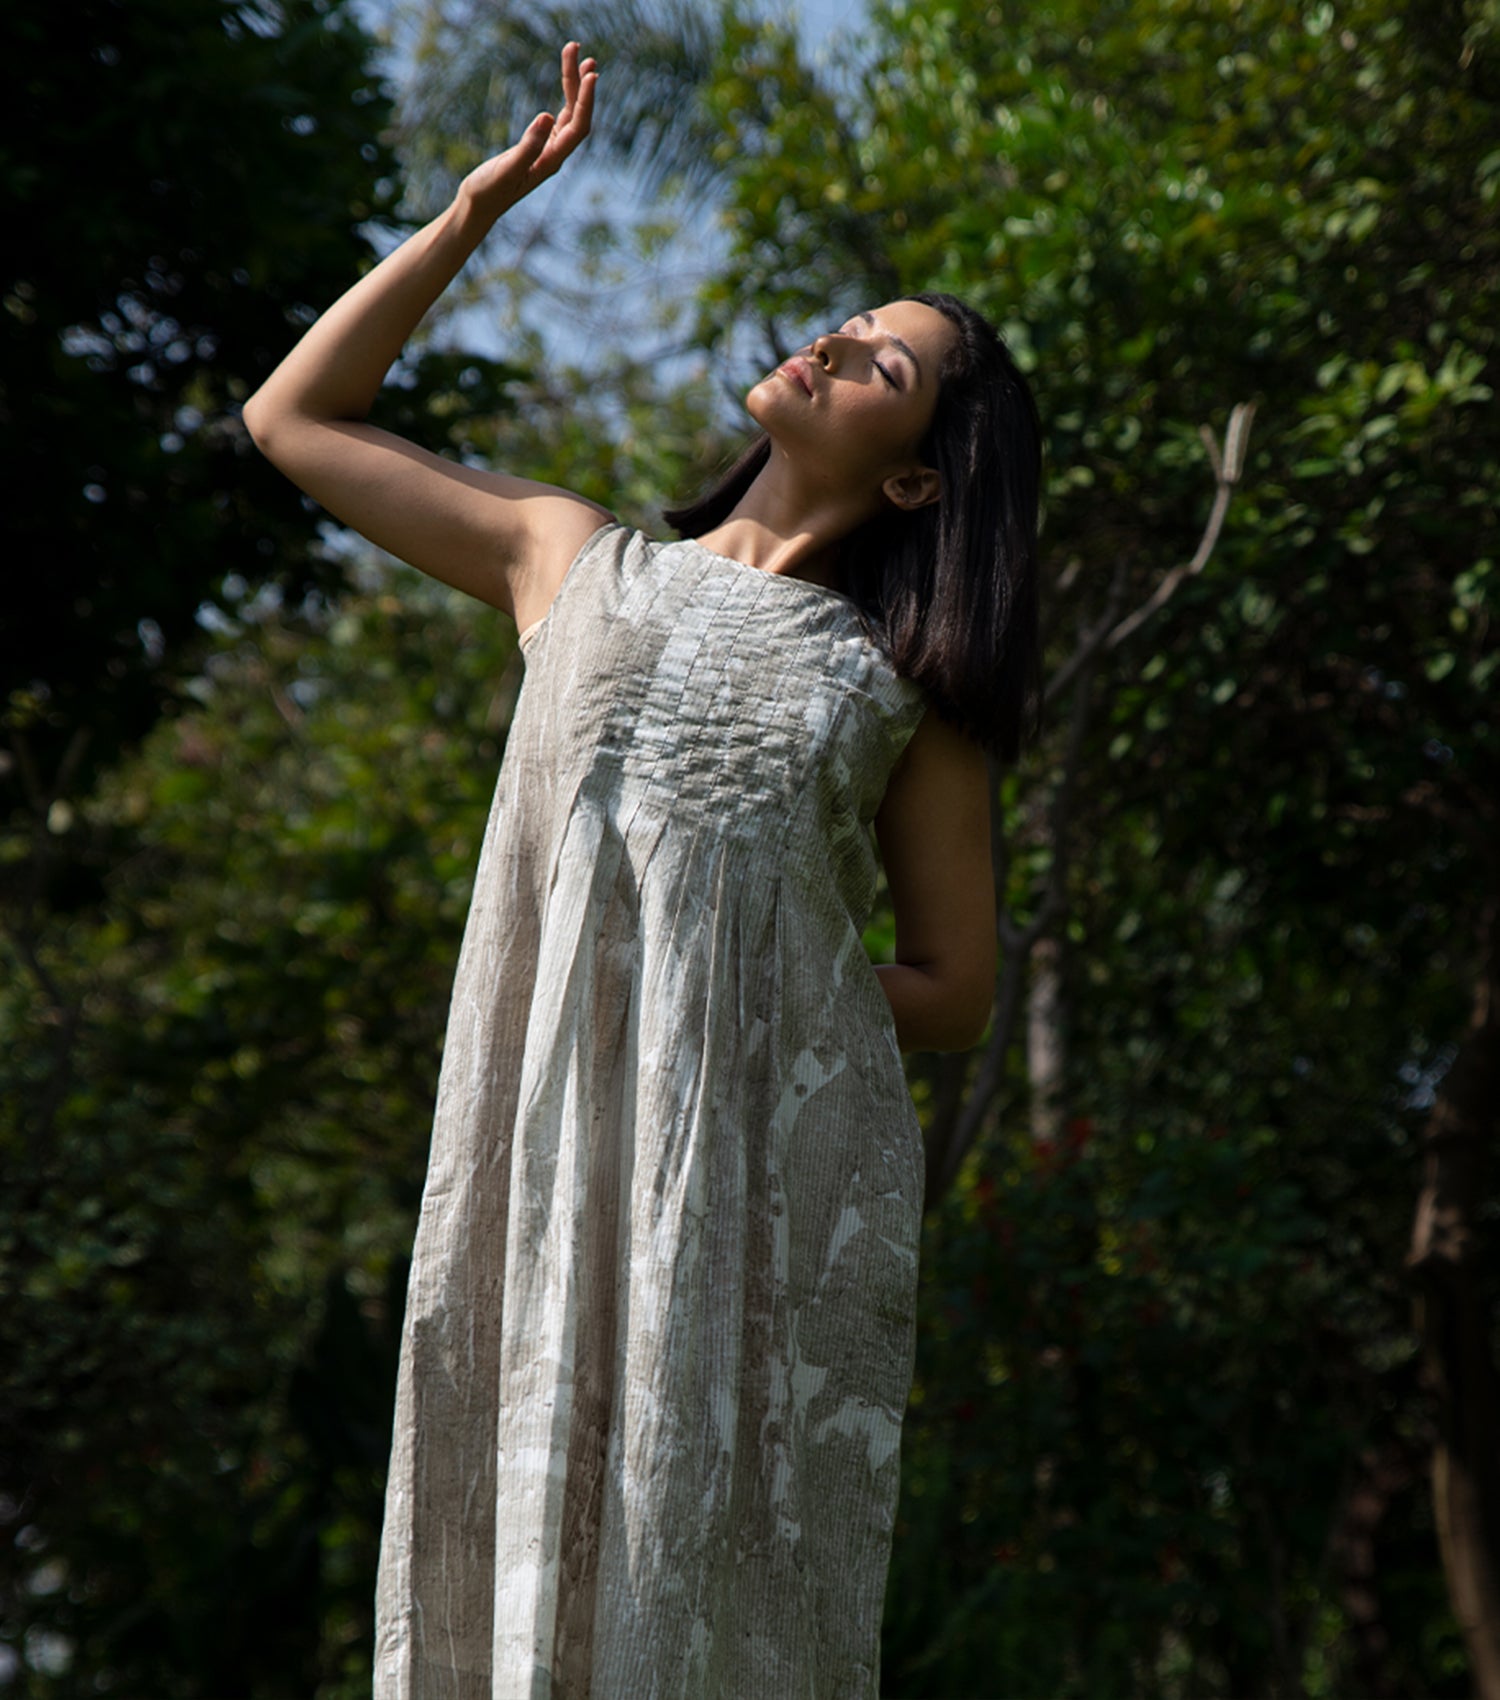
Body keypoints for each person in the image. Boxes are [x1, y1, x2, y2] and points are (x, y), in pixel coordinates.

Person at [244, 41, 1041, 1700]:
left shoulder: (901, 696)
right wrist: (471, 214)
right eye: (852, 322)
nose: (833, 341)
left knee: (684, 1582)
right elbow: (294, 420)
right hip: (531, 1160)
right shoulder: (568, 557)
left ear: (915, 478)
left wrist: (751, 1001)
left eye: (886, 363)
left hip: (720, 1196)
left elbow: (959, 992)